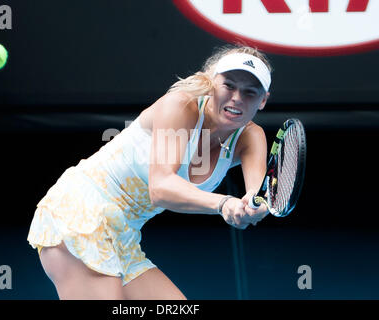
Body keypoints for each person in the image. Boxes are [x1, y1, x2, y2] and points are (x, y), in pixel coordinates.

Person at [27, 44, 272, 300]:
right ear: (211, 82)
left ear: (263, 99)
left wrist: (252, 209)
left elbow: (255, 195)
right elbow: (161, 188)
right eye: (229, 85)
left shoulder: (251, 137)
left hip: (123, 236)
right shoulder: (181, 105)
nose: (236, 98)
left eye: (249, 92)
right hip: (79, 212)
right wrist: (223, 204)